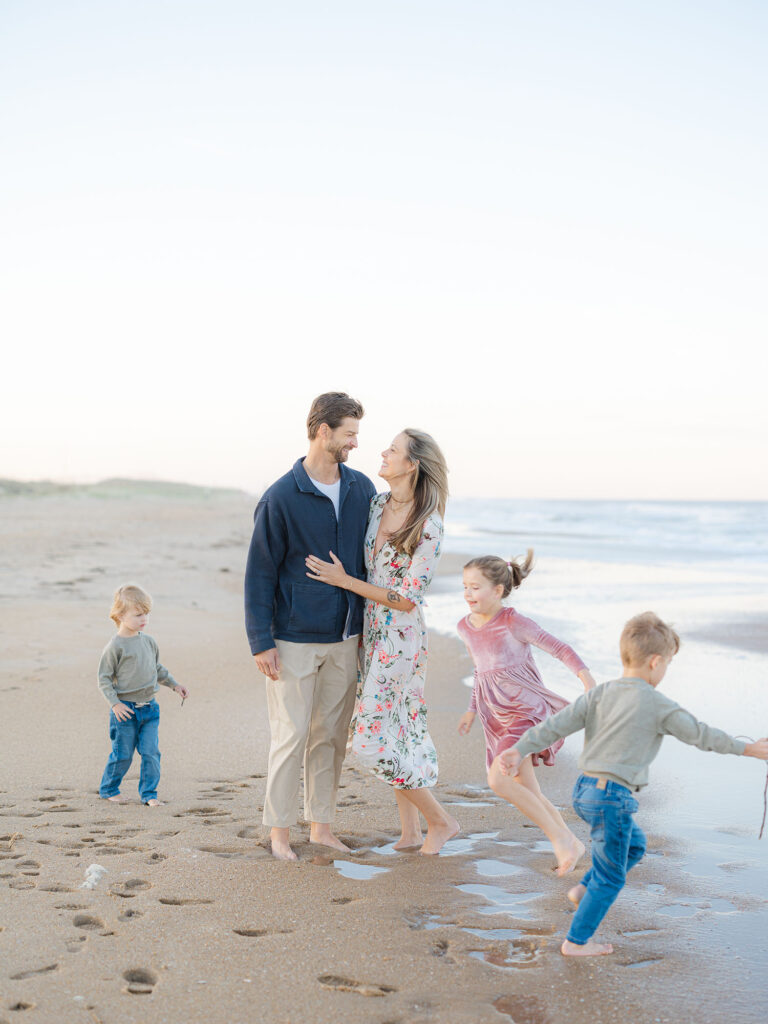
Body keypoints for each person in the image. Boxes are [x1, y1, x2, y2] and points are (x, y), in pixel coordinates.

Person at [499, 611, 768, 957]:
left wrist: (517, 749)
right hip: (612, 798)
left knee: (634, 847)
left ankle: (585, 889)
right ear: (656, 662)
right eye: (668, 663)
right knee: (612, 878)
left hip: (584, 792)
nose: (665, 670)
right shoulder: (658, 704)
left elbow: (555, 725)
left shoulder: (600, 694)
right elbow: (702, 736)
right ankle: (575, 942)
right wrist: (749, 748)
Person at [305, 429, 459, 855]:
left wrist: (345, 582)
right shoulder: (376, 504)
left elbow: (408, 599)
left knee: (370, 742)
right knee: (396, 730)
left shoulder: (429, 525)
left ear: (412, 464)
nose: (383, 453)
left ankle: (441, 821)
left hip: (401, 638)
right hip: (371, 631)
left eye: (393, 450)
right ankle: (410, 834)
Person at [245, 392, 376, 861]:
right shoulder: (280, 496)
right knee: (291, 735)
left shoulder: (361, 489)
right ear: (324, 431)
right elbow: (259, 572)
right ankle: (279, 832)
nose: (356, 443)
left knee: (330, 737)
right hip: (292, 639)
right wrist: (261, 641)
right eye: (350, 434)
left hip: (345, 638)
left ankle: (321, 826)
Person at [456, 552, 595, 874]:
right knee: (529, 791)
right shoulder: (465, 627)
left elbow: (560, 648)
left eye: (475, 587)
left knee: (498, 780)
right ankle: (570, 842)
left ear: (498, 591)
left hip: (526, 713)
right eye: (465, 587)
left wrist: (586, 678)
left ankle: (562, 840)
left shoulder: (514, 622)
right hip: (496, 719)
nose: (468, 594)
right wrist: (471, 709)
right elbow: (480, 671)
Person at [98, 584, 189, 806]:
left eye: (146, 613)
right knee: (123, 754)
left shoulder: (148, 642)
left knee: (151, 753)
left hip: (149, 709)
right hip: (125, 711)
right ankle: (109, 788)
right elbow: (104, 679)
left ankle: (149, 794)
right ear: (120, 615)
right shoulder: (114, 647)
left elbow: (156, 669)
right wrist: (115, 704)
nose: (144, 618)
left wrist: (174, 685)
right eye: (138, 614)